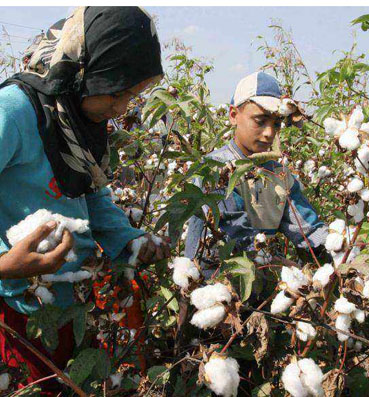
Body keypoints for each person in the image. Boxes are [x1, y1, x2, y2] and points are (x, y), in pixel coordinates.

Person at [0, 6, 170, 394]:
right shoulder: (13, 111)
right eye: (116, 91)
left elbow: (90, 194)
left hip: (68, 306)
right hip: (13, 312)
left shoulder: (75, 120)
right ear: (81, 73)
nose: (122, 108)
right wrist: (5, 265)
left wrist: (128, 238)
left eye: (133, 95)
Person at [185, 71, 329, 271]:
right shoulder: (214, 169)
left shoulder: (279, 175)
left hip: (261, 288)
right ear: (234, 115)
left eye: (276, 123)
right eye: (260, 121)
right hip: (212, 287)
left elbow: (308, 229)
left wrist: (338, 254)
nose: (270, 133)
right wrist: (281, 265)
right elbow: (234, 236)